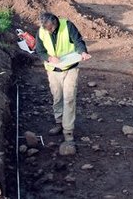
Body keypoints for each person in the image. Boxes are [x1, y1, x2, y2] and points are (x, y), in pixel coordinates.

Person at [35, 12, 91, 143]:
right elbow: (40, 50)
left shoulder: (67, 26)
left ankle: (68, 131)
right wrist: (49, 58)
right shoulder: (41, 31)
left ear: (55, 23)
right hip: (53, 69)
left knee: (69, 98)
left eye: (50, 29)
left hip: (70, 68)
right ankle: (59, 122)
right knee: (57, 97)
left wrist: (82, 52)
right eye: (46, 29)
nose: (48, 31)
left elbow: (78, 41)